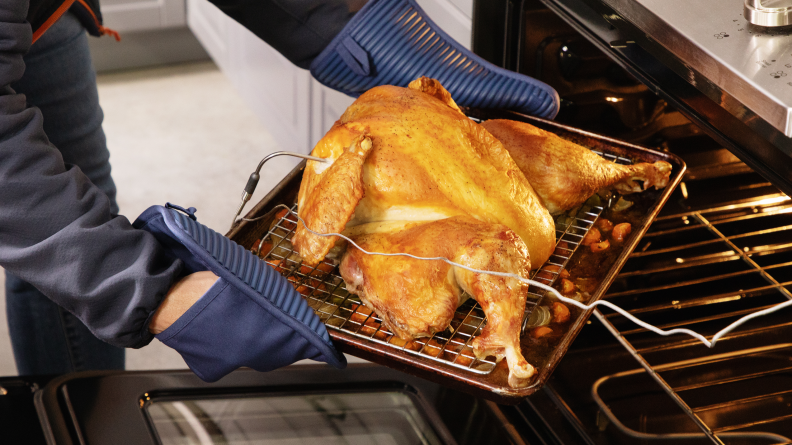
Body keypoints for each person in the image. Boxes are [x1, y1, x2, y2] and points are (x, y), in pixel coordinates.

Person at [2, 0, 559, 380]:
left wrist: (347, 21)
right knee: (58, 248)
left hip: (45, 12)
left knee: (82, 199)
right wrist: (143, 292)